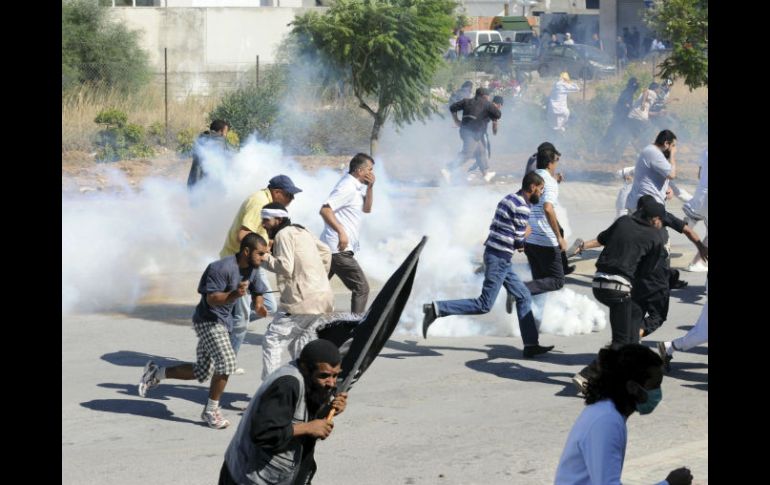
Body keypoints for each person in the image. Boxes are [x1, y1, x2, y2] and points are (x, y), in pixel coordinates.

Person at [138, 233, 269, 429]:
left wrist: (259, 305)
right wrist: (234, 294)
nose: (263, 258)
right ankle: (210, 411)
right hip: (207, 321)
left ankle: (156, 373)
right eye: (260, 254)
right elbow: (211, 299)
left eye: (265, 254)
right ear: (246, 251)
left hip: (225, 323)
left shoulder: (253, 269)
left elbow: (258, 290)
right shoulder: (219, 268)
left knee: (202, 371)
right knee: (227, 363)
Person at [422, 172, 555, 358]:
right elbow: (518, 242)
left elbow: (499, 228)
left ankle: (531, 344)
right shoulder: (523, 208)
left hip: (496, 255)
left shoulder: (508, 199)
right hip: (500, 258)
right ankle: (436, 309)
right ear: (532, 187)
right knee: (484, 304)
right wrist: (527, 233)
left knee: (524, 295)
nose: (540, 194)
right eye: (540, 190)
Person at [555, 344, 694, 485]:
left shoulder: (607, 411)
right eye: (654, 385)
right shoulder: (607, 421)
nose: (658, 392)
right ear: (633, 387)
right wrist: (668, 484)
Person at [220, 339, 349, 485]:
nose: (331, 383)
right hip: (251, 478)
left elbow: (302, 415)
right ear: (306, 368)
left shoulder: (310, 381)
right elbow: (263, 433)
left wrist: (330, 410)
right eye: (324, 376)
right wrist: (308, 427)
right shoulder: (287, 385)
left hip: (288, 473)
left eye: (335, 375)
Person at [571, 200, 666, 392]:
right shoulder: (655, 237)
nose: (661, 224)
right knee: (621, 342)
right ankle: (587, 376)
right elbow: (647, 271)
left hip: (598, 283)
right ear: (654, 219)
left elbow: (603, 238)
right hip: (618, 289)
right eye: (660, 220)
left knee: (631, 334)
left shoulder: (623, 221)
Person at [220, 175, 303, 367]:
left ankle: (224, 321)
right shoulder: (259, 202)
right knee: (241, 320)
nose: (292, 200)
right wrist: (266, 247)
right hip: (237, 264)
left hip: (253, 263)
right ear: (277, 193)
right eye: (289, 196)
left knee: (268, 307)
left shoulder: (269, 206)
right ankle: (225, 363)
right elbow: (243, 235)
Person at [260, 202, 335, 379]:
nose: (263, 224)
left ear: (278, 219)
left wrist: (264, 257)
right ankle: (308, 387)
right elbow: (326, 252)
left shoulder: (283, 235)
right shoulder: (301, 230)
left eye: (266, 220)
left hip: (301, 301)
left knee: (273, 340)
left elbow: (285, 267)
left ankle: (270, 392)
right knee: (300, 345)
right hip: (322, 296)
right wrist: (317, 278)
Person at [319, 153, 375, 314]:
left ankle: (292, 320)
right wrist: (341, 232)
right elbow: (325, 210)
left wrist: (370, 187)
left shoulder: (356, 187)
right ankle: (354, 330)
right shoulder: (347, 187)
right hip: (338, 250)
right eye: (369, 170)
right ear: (359, 170)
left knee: (315, 289)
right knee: (361, 288)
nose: (372, 174)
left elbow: (367, 209)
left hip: (333, 249)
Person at [525, 148, 570, 295]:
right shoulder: (550, 183)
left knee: (539, 287)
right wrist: (559, 237)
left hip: (530, 240)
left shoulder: (531, 178)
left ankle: (534, 317)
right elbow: (548, 208)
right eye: (556, 161)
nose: (557, 164)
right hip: (546, 240)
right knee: (557, 281)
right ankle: (518, 290)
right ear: (550, 164)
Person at [442, 87, 502, 183]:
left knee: (480, 151)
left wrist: (456, 120)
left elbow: (452, 107)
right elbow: (498, 114)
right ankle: (448, 169)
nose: (489, 98)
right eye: (488, 96)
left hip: (465, 131)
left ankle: (485, 174)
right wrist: (492, 108)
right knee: (467, 153)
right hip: (472, 133)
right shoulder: (487, 103)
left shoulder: (467, 101)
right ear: (485, 96)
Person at [683, 148, 708, 272]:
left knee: (686, 225)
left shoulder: (705, 151)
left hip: (700, 193)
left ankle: (659, 247)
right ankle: (697, 262)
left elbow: (699, 175)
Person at [187, 119, 230, 189]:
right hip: (207, 186)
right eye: (225, 132)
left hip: (193, 181)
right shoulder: (220, 141)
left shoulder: (201, 138)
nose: (225, 135)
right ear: (220, 131)